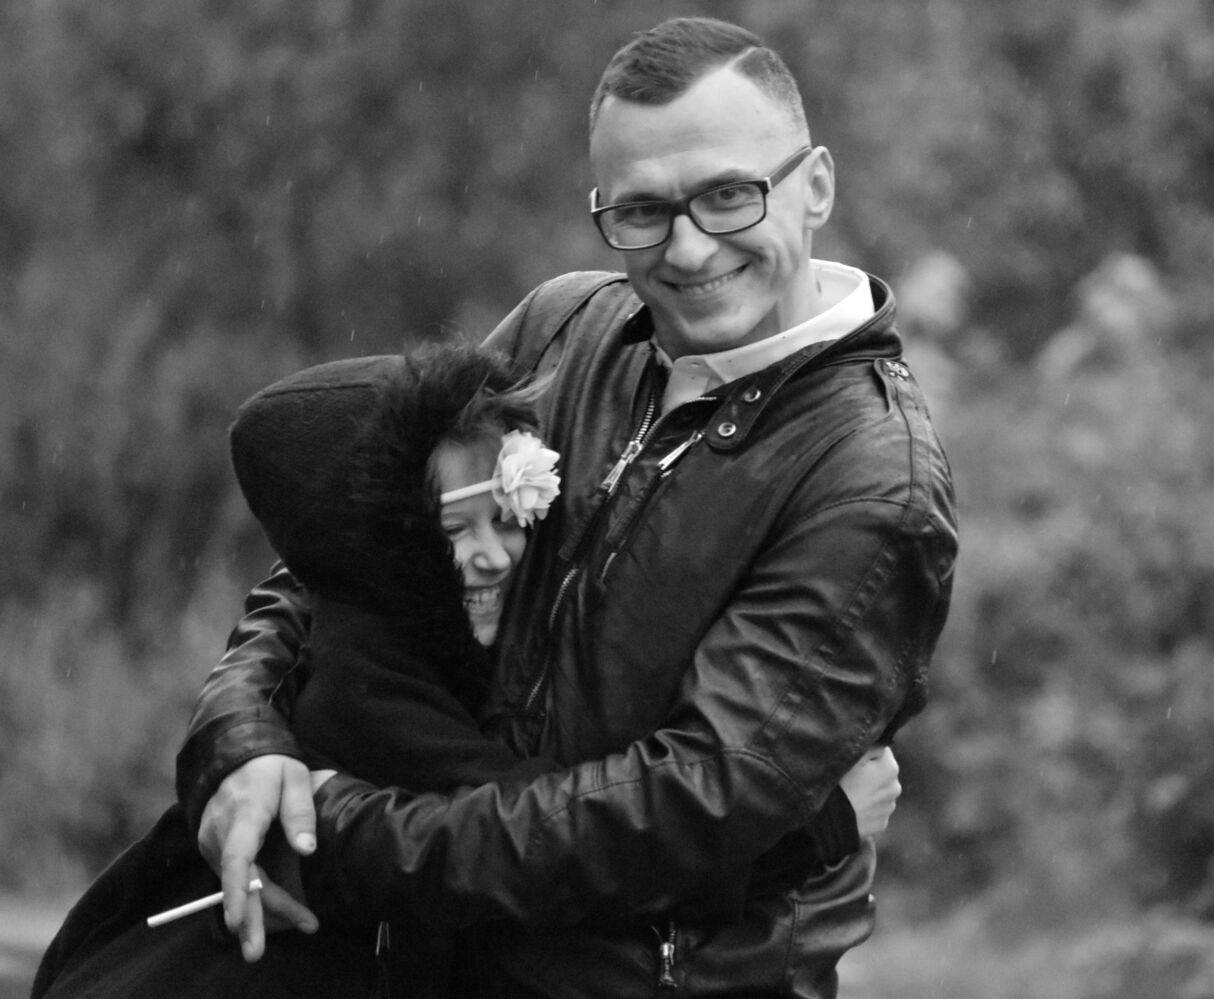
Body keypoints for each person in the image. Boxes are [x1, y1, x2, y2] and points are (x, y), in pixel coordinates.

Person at [178, 15, 958, 997]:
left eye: (727, 195)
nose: (686, 249)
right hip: (423, 962)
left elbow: (674, 815)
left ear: (814, 187)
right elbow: (340, 556)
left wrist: (334, 832)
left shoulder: (868, 477)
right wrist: (242, 748)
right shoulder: (564, 326)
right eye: (641, 210)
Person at [33, 344, 900, 998]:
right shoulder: (368, 679)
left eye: (508, 519)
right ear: (381, 543)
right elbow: (547, 848)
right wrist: (812, 830)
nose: (493, 556)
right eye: (452, 531)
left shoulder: (399, 629)